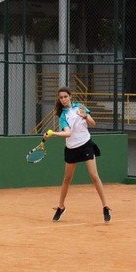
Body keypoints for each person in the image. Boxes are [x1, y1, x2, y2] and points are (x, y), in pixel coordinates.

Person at [44, 86, 111, 222]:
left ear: (70, 96)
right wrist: (53, 133)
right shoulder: (63, 116)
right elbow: (68, 133)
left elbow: (93, 123)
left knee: (94, 175)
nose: (63, 99)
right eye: (61, 98)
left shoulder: (80, 107)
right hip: (72, 148)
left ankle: (105, 206)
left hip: (86, 144)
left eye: (65, 97)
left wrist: (85, 116)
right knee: (67, 179)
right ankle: (61, 206)